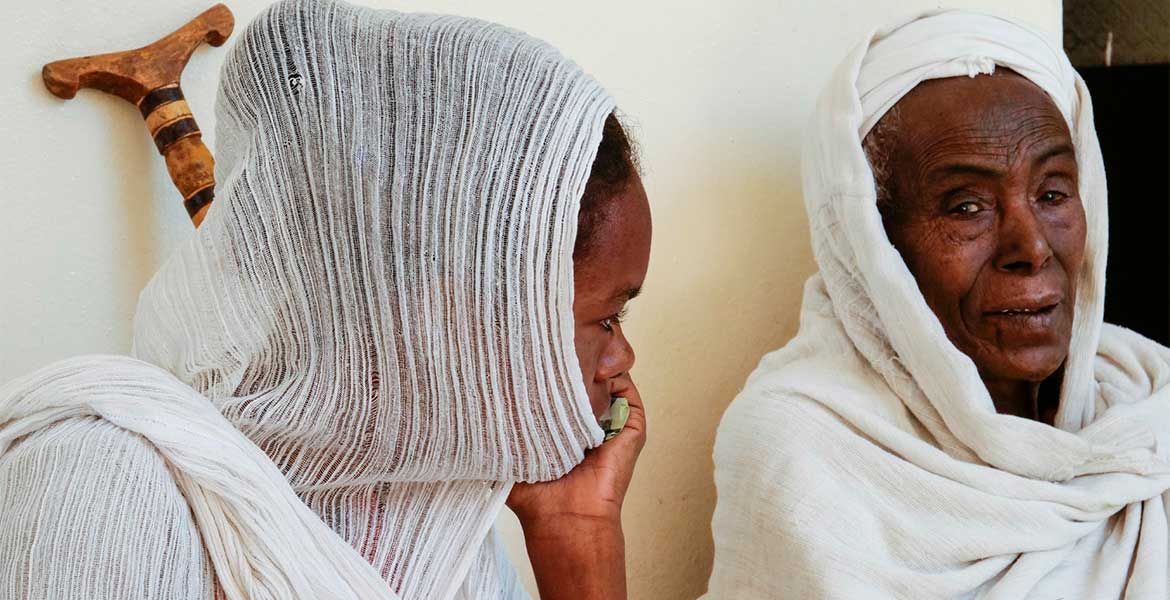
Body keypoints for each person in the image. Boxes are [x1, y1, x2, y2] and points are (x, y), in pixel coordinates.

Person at [0, 0, 651, 598]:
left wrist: (579, 527)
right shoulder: (101, 488)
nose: (620, 357)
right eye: (607, 317)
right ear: (454, 315)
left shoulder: (437, 523)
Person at [707, 10, 1170, 599]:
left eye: (1052, 192)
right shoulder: (806, 449)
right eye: (966, 207)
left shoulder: (1147, 400)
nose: (1030, 247)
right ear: (872, 241)